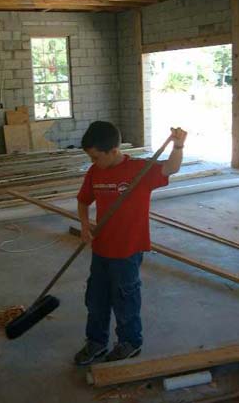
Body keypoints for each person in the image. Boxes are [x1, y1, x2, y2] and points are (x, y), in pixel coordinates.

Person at [74, 121, 187, 366]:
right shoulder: (95, 172)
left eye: (96, 157)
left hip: (127, 251)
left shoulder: (139, 170)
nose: (93, 162)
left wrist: (178, 145)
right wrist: (84, 224)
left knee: (125, 299)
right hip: (101, 249)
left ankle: (130, 342)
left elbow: (171, 168)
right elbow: (83, 201)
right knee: (96, 300)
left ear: (113, 150)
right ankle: (96, 342)